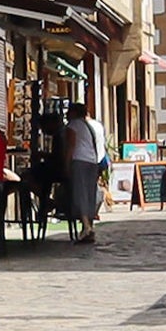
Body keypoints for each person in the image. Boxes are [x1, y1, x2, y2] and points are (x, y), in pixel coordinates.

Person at [64, 102, 105, 244]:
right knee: (89, 193)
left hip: (79, 160)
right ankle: (88, 227)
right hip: (92, 161)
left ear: (74, 113)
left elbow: (71, 145)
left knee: (80, 192)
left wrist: (67, 164)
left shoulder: (73, 125)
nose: (66, 114)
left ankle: (86, 226)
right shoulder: (89, 126)